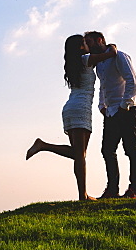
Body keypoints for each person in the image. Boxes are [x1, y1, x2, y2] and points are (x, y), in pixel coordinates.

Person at [26, 34, 117, 200]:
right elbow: (111, 54)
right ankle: (83, 195)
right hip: (80, 109)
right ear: (81, 47)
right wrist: (112, 46)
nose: (88, 45)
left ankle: (44, 146)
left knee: (78, 154)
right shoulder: (86, 59)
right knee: (80, 155)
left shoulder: (74, 63)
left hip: (71, 108)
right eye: (85, 42)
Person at [84, 31, 136, 199]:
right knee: (107, 150)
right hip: (110, 112)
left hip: (127, 110)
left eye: (89, 42)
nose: (87, 47)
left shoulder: (120, 56)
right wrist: (102, 106)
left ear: (100, 40)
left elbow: (133, 81)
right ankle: (112, 190)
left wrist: (125, 105)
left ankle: (134, 190)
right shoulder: (100, 64)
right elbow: (103, 86)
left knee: (131, 149)